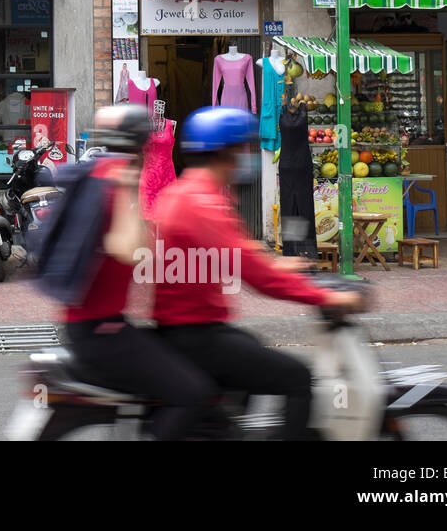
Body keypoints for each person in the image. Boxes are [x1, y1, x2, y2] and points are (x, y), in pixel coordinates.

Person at [150, 106, 364, 440]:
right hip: (195, 335)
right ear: (226, 152)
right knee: (296, 378)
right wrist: (327, 296)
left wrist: (279, 263)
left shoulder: (186, 193)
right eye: (243, 148)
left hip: (188, 328)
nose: (247, 157)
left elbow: (237, 252)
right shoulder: (203, 204)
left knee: (250, 347)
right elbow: (258, 277)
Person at [62, 104, 219, 441]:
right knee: (193, 392)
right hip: (102, 332)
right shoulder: (116, 180)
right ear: (141, 145)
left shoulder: (98, 172)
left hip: (96, 325)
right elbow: (129, 250)